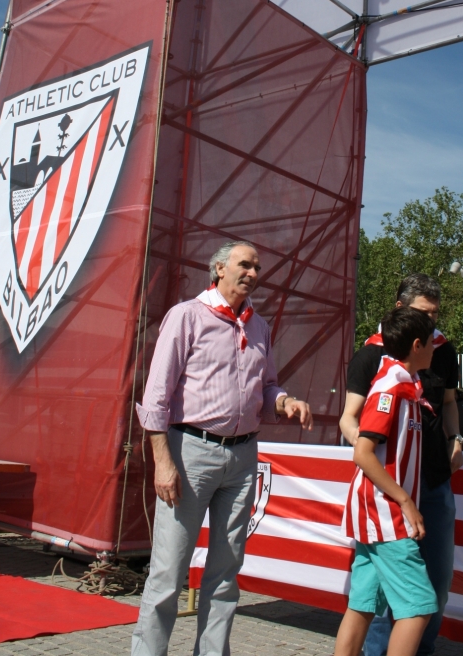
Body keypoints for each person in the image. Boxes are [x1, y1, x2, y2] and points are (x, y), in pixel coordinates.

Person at [131, 241, 313, 656]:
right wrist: (164, 462)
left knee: (226, 572)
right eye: (244, 265)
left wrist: (285, 402)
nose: (252, 272)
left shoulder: (259, 326)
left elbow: (267, 387)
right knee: (168, 570)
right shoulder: (186, 317)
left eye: (257, 267)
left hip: (243, 457)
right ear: (218, 270)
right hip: (190, 451)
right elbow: (156, 396)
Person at [340, 273, 462, 656]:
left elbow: (447, 405)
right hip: (389, 503)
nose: (433, 328)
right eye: (424, 318)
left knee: (365, 603)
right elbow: (361, 443)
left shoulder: (412, 377)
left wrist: (455, 439)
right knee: (418, 604)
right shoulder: (388, 382)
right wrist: (402, 497)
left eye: (435, 316)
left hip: (416, 489)